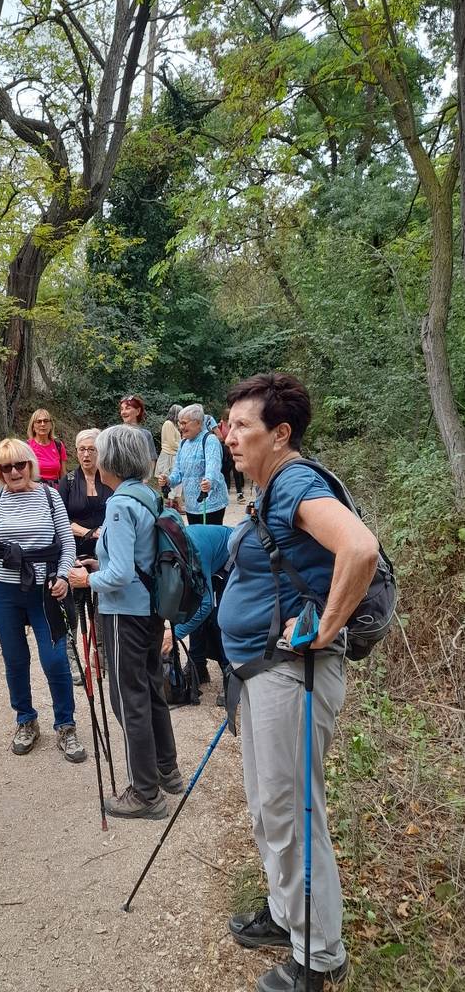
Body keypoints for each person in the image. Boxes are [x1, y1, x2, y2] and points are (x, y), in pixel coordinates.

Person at [217, 373, 378, 992]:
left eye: (242, 427)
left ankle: (320, 956)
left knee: (291, 812)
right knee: (268, 809)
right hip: (266, 674)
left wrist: (323, 628)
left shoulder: (295, 484)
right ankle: (288, 917)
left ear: (280, 435)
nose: (229, 436)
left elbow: (359, 550)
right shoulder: (270, 489)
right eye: (228, 425)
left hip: (296, 675)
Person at [68, 425, 181, 821]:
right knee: (150, 691)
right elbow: (137, 559)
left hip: (123, 615)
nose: (94, 460)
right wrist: (103, 565)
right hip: (149, 610)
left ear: (110, 460)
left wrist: (86, 578)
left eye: (98, 453)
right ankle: (167, 770)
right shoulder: (147, 495)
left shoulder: (118, 504)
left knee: (127, 699)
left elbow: (117, 577)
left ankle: (145, 794)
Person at [0, 439, 86, 764]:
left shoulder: (49, 495)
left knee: (55, 658)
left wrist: (62, 575)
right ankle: (25, 720)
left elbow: (66, 543)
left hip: (44, 589)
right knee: (15, 659)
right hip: (2, 590)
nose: (14, 471)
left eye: (20, 465)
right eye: (5, 467)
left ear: (31, 465)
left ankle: (65, 724)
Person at [58, 429, 113, 685]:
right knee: (76, 604)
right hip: (76, 548)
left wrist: (105, 533)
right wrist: (91, 532)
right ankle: (75, 660)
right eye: (82, 449)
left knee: (102, 601)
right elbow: (61, 519)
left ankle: (101, 657)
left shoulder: (109, 477)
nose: (87, 454)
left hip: (106, 549)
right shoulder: (68, 481)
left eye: (92, 449)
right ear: (76, 451)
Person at [160, 523, 232, 694]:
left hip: (234, 555)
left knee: (221, 616)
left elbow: (205, 604)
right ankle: (198, 667)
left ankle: (230, 674)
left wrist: (175, 634)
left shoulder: (191, 553)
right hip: (210, 557)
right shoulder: (164, 552)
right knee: (192, 610)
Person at [157, 403, 228, 525]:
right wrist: (168, 480)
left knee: (208, 540)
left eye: (184, 423)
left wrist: (209, 482)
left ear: (198, 423)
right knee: (195, 539)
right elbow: (178, 473)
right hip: (191, 504)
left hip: (209, 502)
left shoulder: (210, 440)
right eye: (179, 423)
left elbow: (213, 468)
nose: (180, 427)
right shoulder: (183, 443)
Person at [26, 408, 67, 486]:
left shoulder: (59, 445)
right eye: (38, 421)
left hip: (55, 492)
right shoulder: (26, 447)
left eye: (46, 421)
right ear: (33, 427)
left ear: (51, 425)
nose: (42, 424)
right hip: (34, 491)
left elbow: (63, 474)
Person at [118, 395, 157, 468]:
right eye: (122, 409)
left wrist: (146, 478)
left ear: (138, 411)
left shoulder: (145, 434)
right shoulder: (116, 434)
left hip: (139, 477)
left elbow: (151, 459)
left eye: (127, 408)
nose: (123, 412)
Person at [156, 404, 182, 506]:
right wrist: (182, 448)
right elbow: (171, 442)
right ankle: (170, 503)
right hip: (168, 456)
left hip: (174, 455)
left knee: (176, 481)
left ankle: (175, 502)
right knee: (167, 480)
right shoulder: (168, 424)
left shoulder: (174, 425)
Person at [219, 409, 245, 502]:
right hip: (225, 451)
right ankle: (227, 492)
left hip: (233, 450)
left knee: (236, 471)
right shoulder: (220, 425)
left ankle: (239, 493)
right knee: (226, 472)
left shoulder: (233, 424)